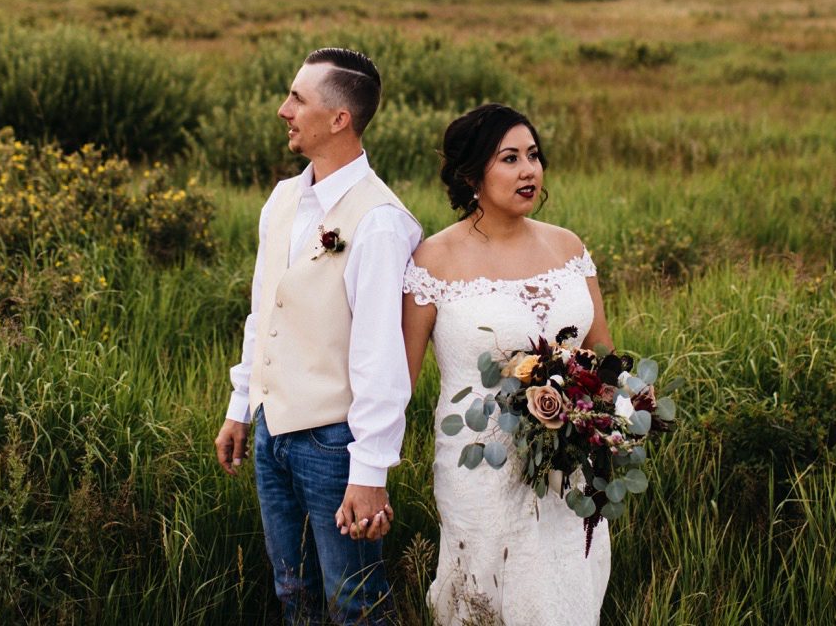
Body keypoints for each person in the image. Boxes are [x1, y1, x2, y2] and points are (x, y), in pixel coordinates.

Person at [215, 48, 422, 624]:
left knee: (354, 600)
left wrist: (370, 471)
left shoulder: (380, 222)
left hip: (335, 445)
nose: (284, 110)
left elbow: (383, 358)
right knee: (292, 593)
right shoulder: (283, 199)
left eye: (297, 99)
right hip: (271, 431)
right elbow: (265, 313)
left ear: (340, 119)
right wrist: (241, 406)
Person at [402, 103, 615, 625]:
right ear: (472, 173)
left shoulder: (568, 247)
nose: (529, 171)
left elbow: (604, 356)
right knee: (485, 596)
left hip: (568, 471)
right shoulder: (434, 260)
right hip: (481, 463)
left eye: (534, 156)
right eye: (510, 158)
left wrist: (602, 419)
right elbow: (398, 382)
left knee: (566, 585)